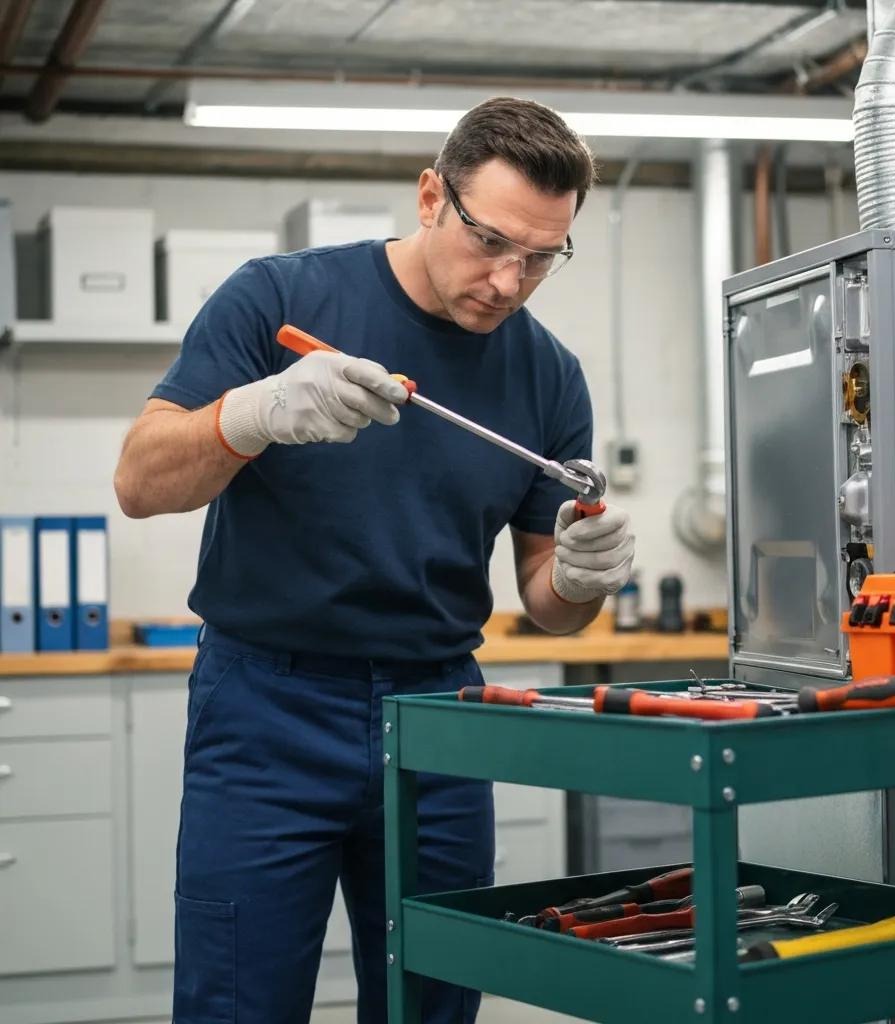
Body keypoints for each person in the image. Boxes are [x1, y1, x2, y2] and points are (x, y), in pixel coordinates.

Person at [114, 96, 635, 1024]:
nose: (509, 281)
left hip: (439, 713)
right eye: (491, 243)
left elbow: (546, 595)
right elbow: (141, 482)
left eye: (542, 257)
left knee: (432, 1002)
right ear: (431, 195)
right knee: (239, 999)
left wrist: (585, 577)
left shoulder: (548, 374)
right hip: (267, 708)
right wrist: (251, 416)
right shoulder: (279, 299)